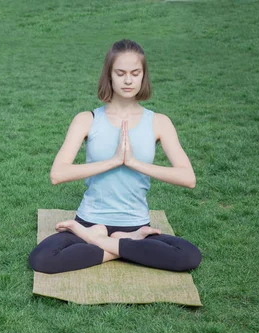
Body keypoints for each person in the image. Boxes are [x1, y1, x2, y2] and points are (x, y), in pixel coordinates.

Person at [29, 39, 202, 274]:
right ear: (109, 75)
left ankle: (104, 240)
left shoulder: (159, 122)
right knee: (42, 259)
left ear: (143, 76)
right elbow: (57, 174)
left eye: (135, 73)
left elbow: (188, 178)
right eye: (120, 73)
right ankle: (124, 244)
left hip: (136, 225)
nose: (128, 80)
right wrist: (113, 161)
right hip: (90, 220)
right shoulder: (86, 119)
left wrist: (133, 163)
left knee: (189, 256)